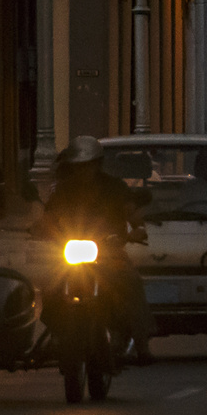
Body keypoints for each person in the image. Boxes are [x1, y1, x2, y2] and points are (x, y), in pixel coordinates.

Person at [35, 136, 153, 363]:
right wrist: (40, 229)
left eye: (87, 166)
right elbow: (48, 217)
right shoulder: (64, 190)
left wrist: (137, 228)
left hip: (108, 251)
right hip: (70, 251)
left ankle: (141, 343)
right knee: (50, 285)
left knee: (131, 282)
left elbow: (132, 211)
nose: (82, 171)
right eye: (78, 167)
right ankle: (58, 335)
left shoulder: (115, 187)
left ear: (97, 164)